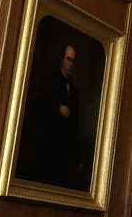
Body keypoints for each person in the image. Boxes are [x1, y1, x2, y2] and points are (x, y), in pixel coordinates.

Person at [16, 44, 87, 189]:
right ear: (62, 59)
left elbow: (75, 126)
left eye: (73, 61)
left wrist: (78, 158)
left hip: (63, 154)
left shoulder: (74, 91)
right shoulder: (51, 80)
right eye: (68, 59)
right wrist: (57, 109)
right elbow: (38, 108)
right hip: (48, 147)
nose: (71, 64)